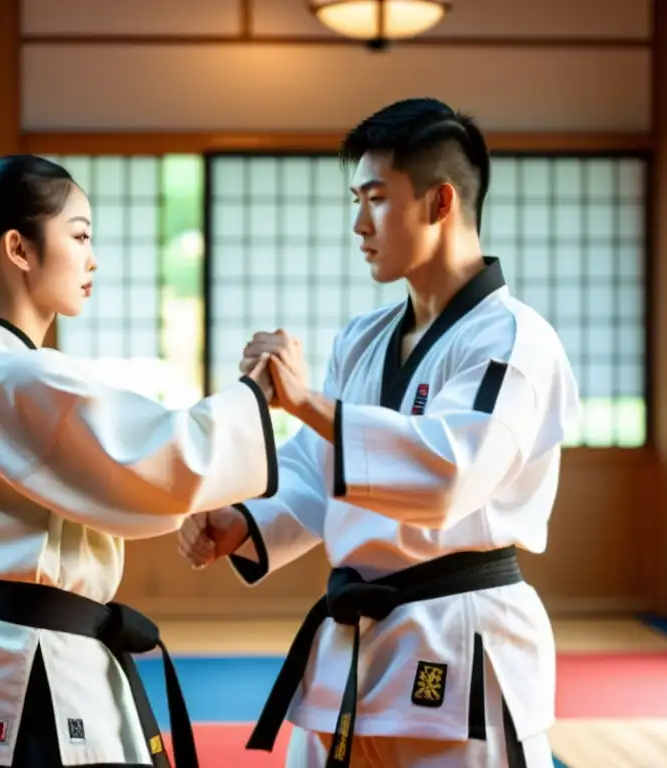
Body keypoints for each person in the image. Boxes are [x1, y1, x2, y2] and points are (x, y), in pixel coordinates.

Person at [178, 98, 580, 768]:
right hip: (352, 648)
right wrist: (242, 523)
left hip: (457, 637)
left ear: (440, 201)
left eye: (376, 199)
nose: (359, 224)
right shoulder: (363, 339)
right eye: (355, 200)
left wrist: (304, 401)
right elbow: (316, 470)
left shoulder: (513, 340)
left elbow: (452, 473)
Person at [0, 154, 280, 768]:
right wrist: (259, 394)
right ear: (19, 249)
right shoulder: (17, 379)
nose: (93, 259)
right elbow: (154, 459)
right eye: (79, 235)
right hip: (33, 682)